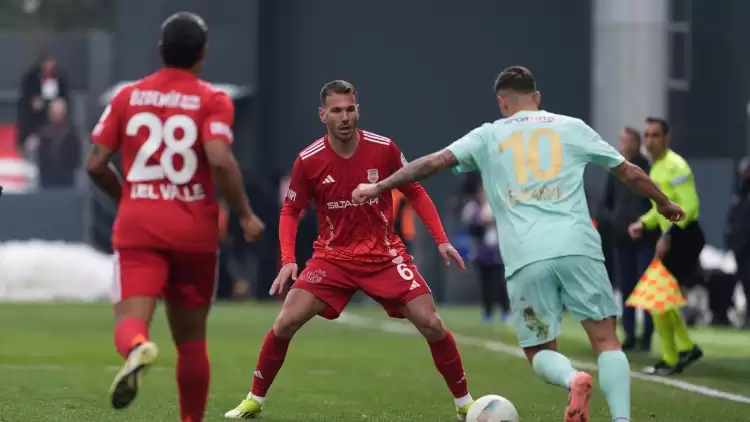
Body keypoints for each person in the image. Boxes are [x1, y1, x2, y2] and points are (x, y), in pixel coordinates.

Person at [352, 66, 685, 422]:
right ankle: (621, 420)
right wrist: (664, 203)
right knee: (606, 340)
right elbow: (630, 172)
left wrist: (379, 186)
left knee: (539, 351)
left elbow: (432, 163)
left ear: (502, 102)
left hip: (527, 256)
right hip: (579, 246)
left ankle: (573, 378)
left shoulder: (488, 135)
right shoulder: (571, 126)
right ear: (537, 97)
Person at [225, 80, 475, 420]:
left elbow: (414, 190)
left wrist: (442, 238)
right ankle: (255, 398)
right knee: (286, 321)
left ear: (358, 110)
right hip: (333, 257)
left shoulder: (383, 148)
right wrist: (288, 260)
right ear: (322, 115)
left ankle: (465, 404)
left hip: (384, 255)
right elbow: (290, 210)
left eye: (350, 109)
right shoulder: (309, 160)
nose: (345, 117)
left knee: (431, 322)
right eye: (336, 111)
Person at [85, 12, 265, 422]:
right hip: (194, 234)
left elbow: (95, 164)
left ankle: (136, 349)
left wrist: (129, 195)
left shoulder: (128, 97)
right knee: (192, 342)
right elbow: (219, 158)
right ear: (202, 55)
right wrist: (245, 214)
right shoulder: (212, 99)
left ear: (160, 50)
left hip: (140, 227)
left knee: (130, 322)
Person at [627, 117, 704, 375]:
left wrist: (669, 234)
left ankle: (680, 352)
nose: (649, 140)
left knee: (657, 296)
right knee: (657, 298)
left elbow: (690, 206)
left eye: (655, 135)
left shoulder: (676, 166)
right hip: (671, 236)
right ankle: (678, 353)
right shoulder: (656, 167)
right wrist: (644, 222)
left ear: (666, 138)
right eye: (647, 135)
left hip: (685, 236)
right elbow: (661, 208)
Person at [599, 127, 656, 351]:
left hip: (645, 238)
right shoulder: (616, 170)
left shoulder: (648, 169)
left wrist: (643, 223)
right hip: (621, 238)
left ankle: (647, 334)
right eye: (622, 140)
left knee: (647, 289)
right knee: (626, 289)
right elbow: (605, 204)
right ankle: (630, 334)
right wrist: (615, 221)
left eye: (628, 140)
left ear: (637, 142)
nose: (624, 144)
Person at [461, 185, 510, 323]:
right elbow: (469, 224)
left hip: (497, 250)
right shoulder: (473, 207)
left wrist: (492, 221)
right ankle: (487, 313)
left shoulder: (498, 205)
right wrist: (480, 222)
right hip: (481, 251)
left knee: (500, 283)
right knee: (485, 284)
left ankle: (505, 312)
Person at [37, 98, 81, 189]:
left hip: (67, 182)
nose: (57, 115)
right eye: (54, 112)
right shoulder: (44, 134)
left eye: (60, 111)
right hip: (46, 182)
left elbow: (76, 158)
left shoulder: (71, 134)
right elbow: (40, 158)